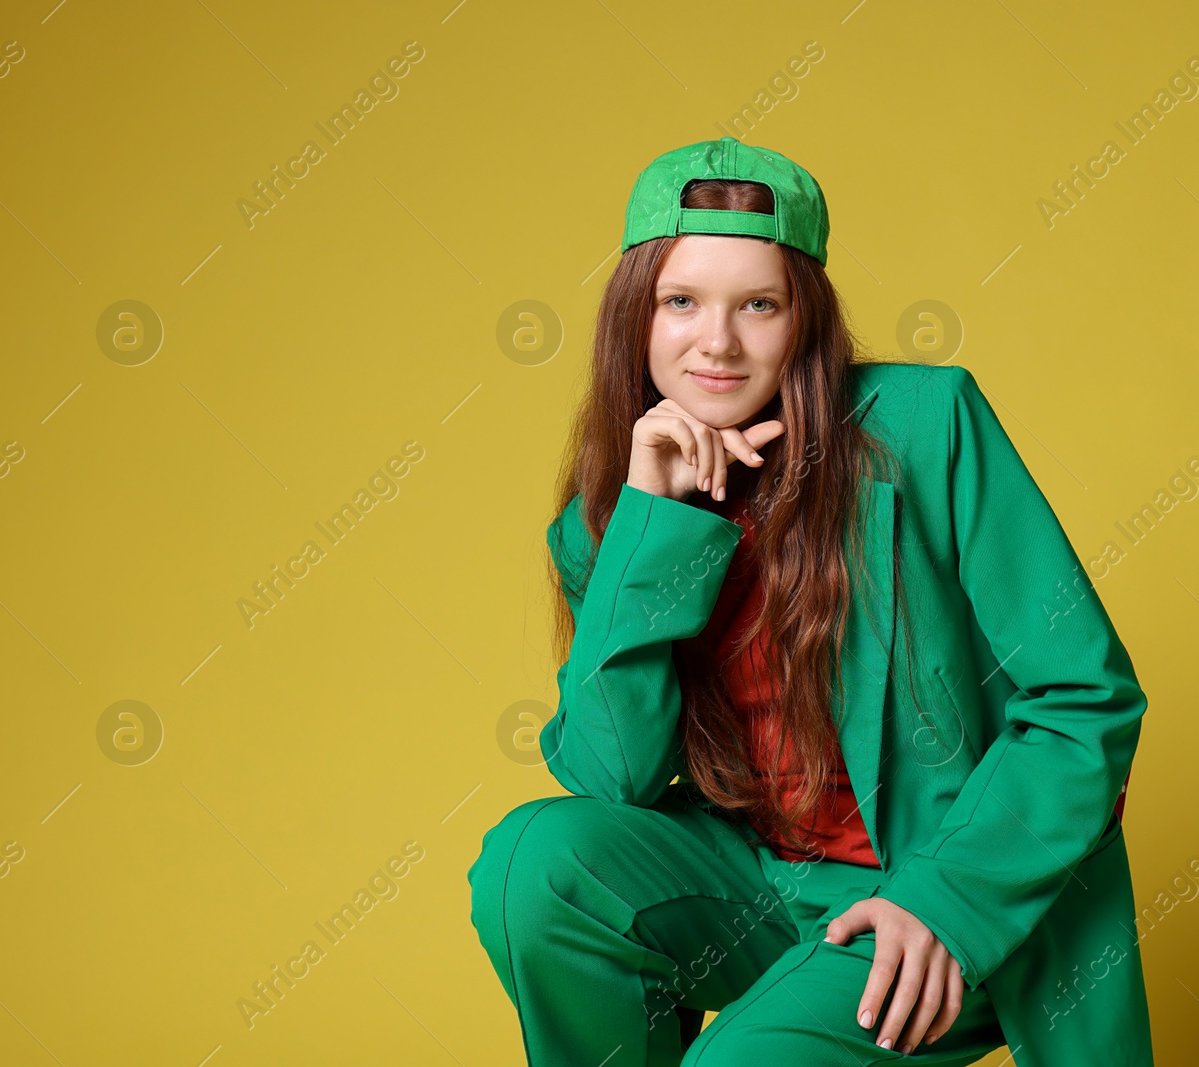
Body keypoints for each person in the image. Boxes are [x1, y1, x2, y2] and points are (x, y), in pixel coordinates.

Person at [469, 136, 1152, 1066]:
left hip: (947, 896)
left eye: (758, 303)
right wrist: (651, 521)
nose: (717, 341)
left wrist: (944, 901)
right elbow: (610, 777)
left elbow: (1085, 700)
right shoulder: (612, 522)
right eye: (681, 301)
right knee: (534, 862)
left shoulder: (928, 427)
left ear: (804, 321)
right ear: (635, 317)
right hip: (756, 885)